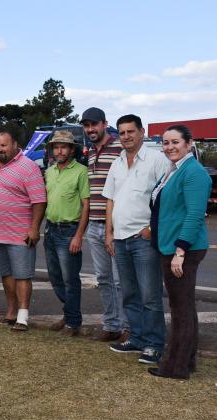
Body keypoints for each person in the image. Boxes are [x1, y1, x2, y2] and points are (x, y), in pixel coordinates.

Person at [104, 114, 169, 364]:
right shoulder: (117, 163)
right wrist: (109, 233)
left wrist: (152, 228)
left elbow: (167, 197)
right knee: (129, 293)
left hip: (143, 239)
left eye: (131, 131)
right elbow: (111, 199)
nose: (126, 136)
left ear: (142, 132)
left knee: (150, 295)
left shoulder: (157, 160)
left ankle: (154, 344)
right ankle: (138, 338)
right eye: (122, 132)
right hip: (120, 239)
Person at [148, 125, 211, 379]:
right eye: (166, 142)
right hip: (171, 246)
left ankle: (175, 367)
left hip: (183, 249)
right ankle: (186, 361)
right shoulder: (174, 169)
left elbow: (194, 215)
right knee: (184, 307)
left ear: (189, 143)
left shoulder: (193, 172)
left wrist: (180, 251)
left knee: (180, 310)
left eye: (175, 142)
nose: (170, 147)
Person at [0, 131, 46, 332]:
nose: (0, 149)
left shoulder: (29, 167)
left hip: (20, 233)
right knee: (6, 274)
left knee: (22, 275)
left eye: (4, 145)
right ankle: (11, 312)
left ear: (15, 145)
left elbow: (39, 200)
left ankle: (23, 317)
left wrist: (34, 228)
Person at [81, 107, 127, 342]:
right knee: (104, 279)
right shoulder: (90, 151)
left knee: (121, 281)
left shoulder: (120, 148)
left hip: (116, 225)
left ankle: (128, 327)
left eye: (94, 124)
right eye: (87, 126)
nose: (91, 129)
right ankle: (111, 326)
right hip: (94, 225)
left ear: (104, 124)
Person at [43, 131, 90, 336]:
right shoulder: (49, 172)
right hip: (50, 229)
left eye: (63, 147)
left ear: (71, 150)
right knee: (55, 277)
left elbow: (86, 204)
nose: (59, 151)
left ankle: (73, 322)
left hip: (69, 231)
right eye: (56, 147)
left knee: (70, 279)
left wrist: (78, 236)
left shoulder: (81, 171)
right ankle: (69, 313)